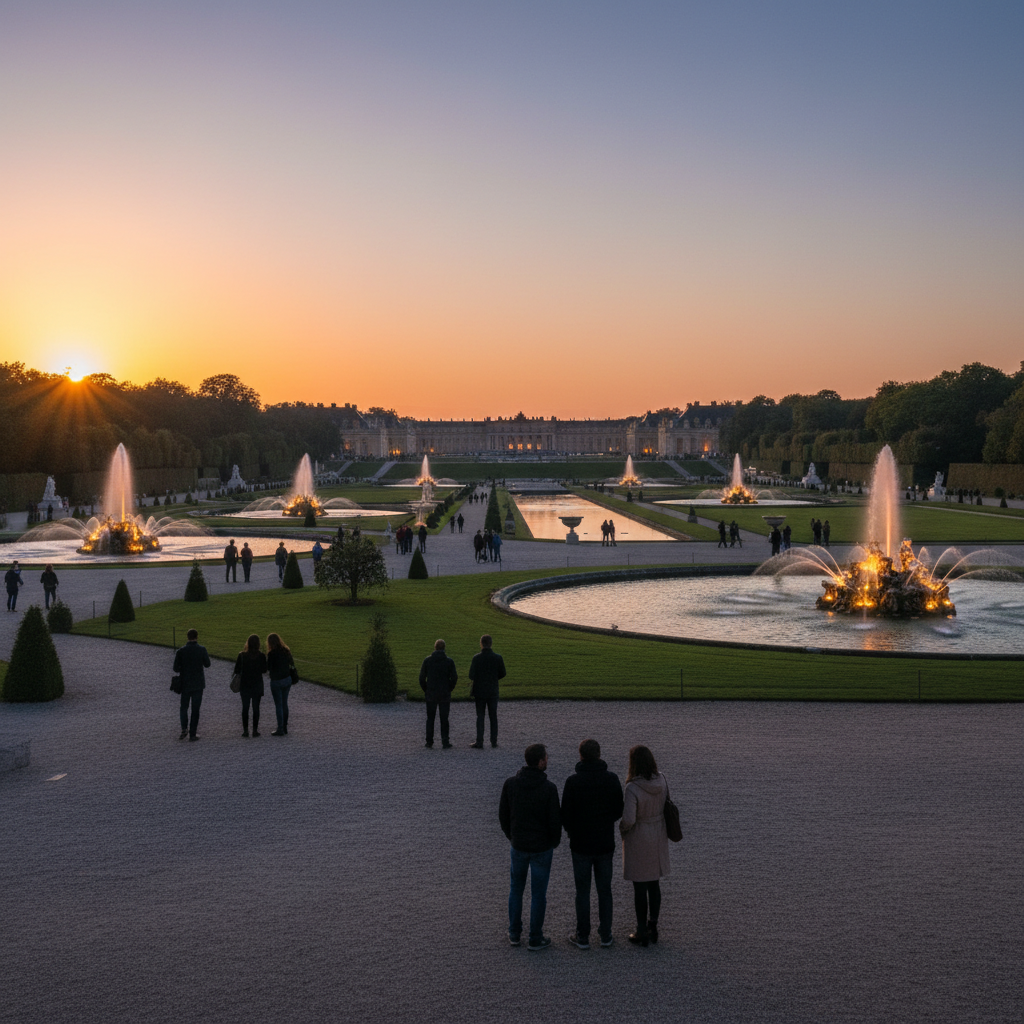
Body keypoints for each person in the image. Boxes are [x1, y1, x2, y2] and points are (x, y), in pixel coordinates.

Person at [561, 739, 624, 949]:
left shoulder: (573, 781)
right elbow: (618, 810)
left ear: (581, 755)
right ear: (599, 754)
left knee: (583, 891)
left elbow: (566, 815)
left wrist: (573, 830)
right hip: (604, 841)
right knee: (604, 890)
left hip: (580, 843)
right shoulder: (611, 779)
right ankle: (605, 934)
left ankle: (583, 936)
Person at [499, 743, 562, 950]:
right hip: (541, 847)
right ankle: (535, 937)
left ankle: (514, 933)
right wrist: (554, 841)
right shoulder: (549, 788)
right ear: (540, 761)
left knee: (516, 889)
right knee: (538, 894)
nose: (548, 760)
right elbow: (554, 820)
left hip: (518, 844)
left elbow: (503, 816)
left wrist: (512, 836)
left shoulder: (511, 784)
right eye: (546, 757)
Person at [620, 744, 670, 947]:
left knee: (639, 886)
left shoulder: (632, 787)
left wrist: (622, 829)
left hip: (640, 836)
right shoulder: (662, 779)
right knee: (654, 884)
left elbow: (629, 819)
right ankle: (653, 926)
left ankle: (641, 930)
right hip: (658, 832)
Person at [418, 639, 457, 748]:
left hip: (431, 693)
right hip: (444, 693)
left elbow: (422, 678)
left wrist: (426, 689)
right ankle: (445, 741)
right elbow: (454, 678)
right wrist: (449, 688)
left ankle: (429, 741)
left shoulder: (427, 661)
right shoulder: (449, 661)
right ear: (444, 648)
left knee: (430, 719)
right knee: (444, 719)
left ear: (435, 648)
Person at [468, 634, 506, 748]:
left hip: (480, 691)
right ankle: (493, 741)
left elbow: (471, 675)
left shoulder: (476, 658)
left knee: (480, 716)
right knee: (493, 716)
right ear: (491, 644)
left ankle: (479, 741)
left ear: (481, 644)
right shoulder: (498, 658)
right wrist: (493, 678)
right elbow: (503, 673)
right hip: (493, 690)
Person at [172, 628, 210, 741]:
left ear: (187, 637)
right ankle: (193, 734)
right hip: (198, 683)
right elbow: (207, 664)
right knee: (195, 709)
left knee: (184, 707)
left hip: (185, 683)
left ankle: (184, 728)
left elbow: (175, 668)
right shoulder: (202, 649)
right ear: (196, 637)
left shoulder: (181, 651)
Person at [234, 633, 268, 737]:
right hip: (257, 684)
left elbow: (237, 670)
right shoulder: (261, 656)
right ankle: (254, 730)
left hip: (245, 684)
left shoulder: (242, 655)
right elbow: (264, 670)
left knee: (245, 707)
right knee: (256, 708)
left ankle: (245, 730)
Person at [267, 632, 296, 736]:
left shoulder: (271, 654)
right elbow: (291, 664)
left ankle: (280, 729)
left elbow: (268, 668)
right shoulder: (286, 651)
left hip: (276, 681)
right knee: (284, 703)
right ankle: (284, 727)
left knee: (279, 705)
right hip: (287, 679)